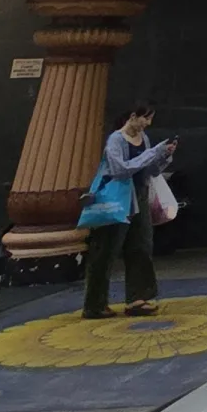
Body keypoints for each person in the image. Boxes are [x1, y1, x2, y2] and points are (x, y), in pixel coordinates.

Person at [84, 103, 176, 319]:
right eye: (146, 118)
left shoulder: (144, 139)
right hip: (117, 199)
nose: (148, 124)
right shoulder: (115, 140)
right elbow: (120, 170)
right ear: (133, 116)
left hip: (139, 196)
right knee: (107, 249)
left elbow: (151, 170)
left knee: (141, 245)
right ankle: (95, 303)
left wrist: (163, 156)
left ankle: (138, 298)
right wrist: (152, 153)